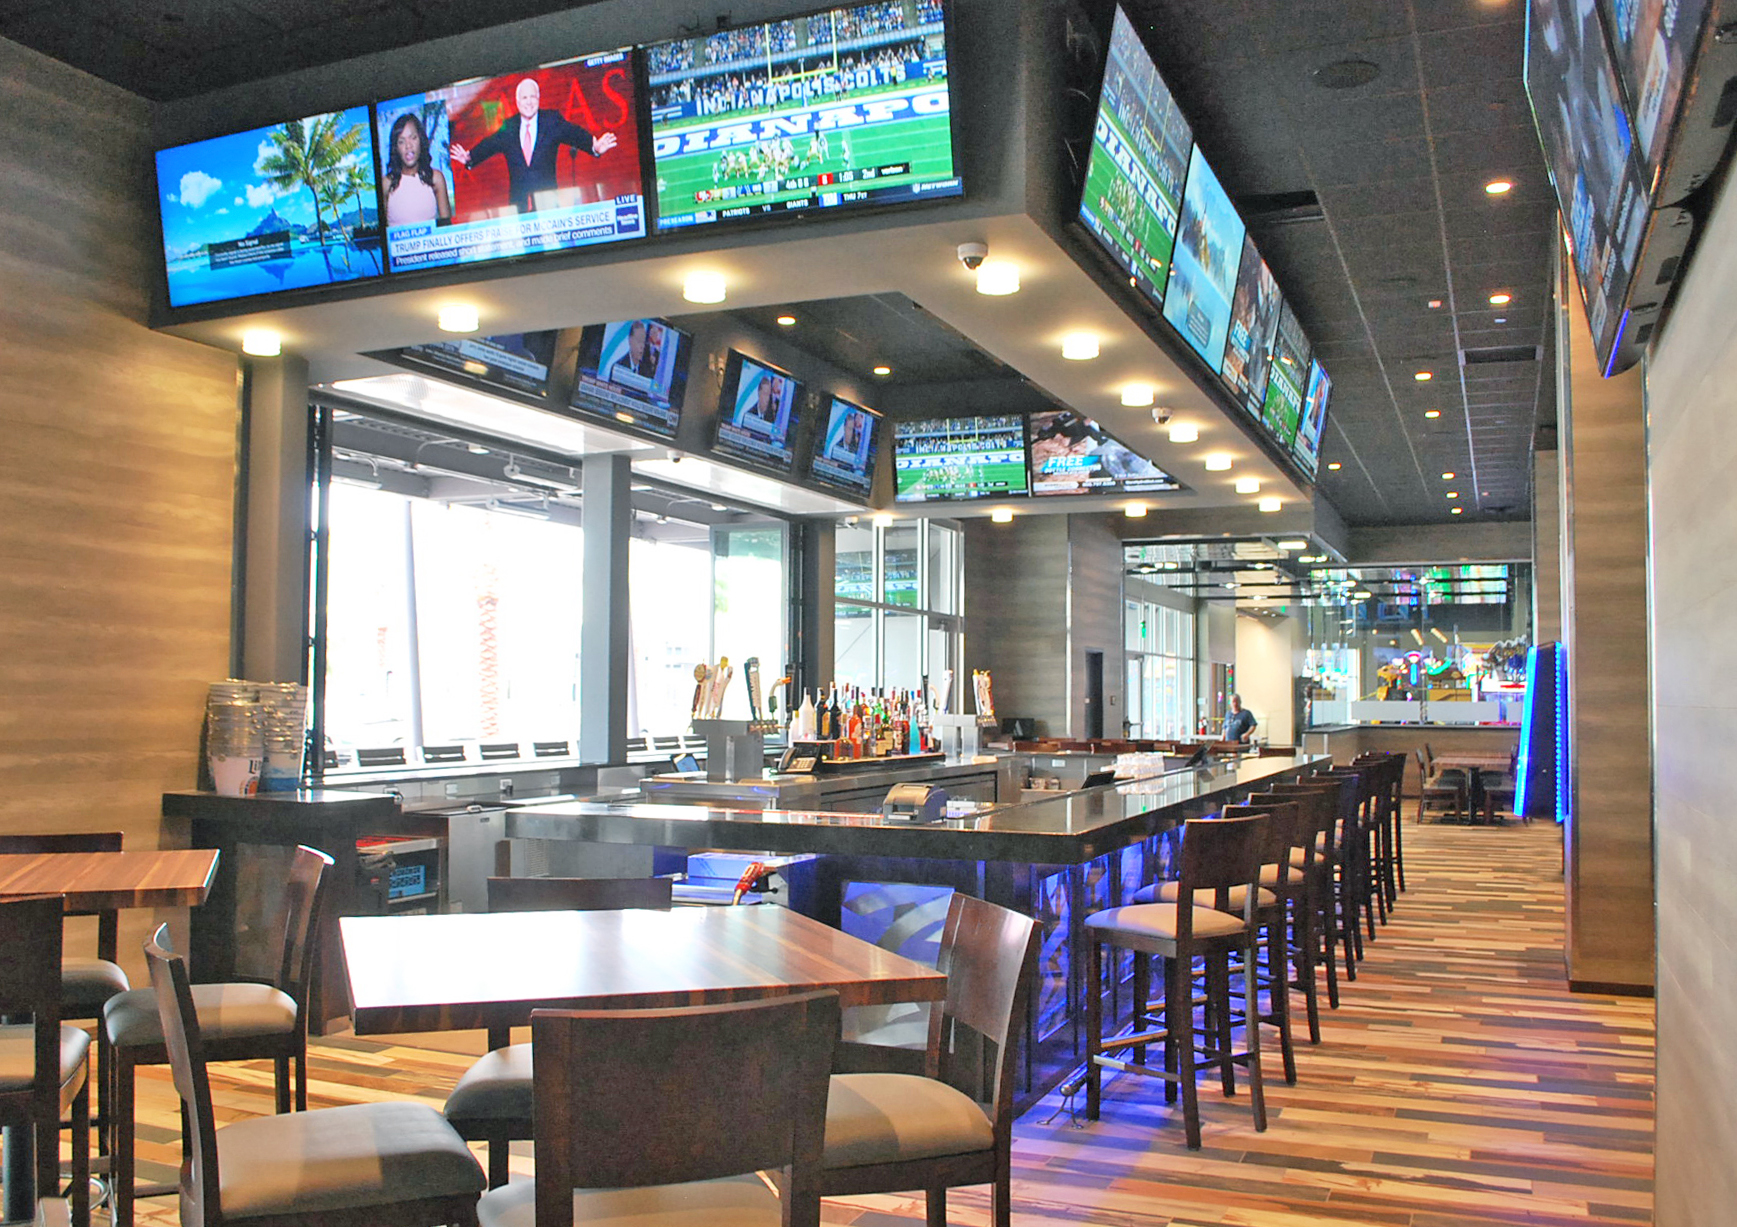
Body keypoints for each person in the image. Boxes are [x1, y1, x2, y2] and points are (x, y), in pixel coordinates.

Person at [449, 77, 618, 213]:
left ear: (538, 98)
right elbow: (490, 144)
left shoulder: (551, 120)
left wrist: (594, 147)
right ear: (517, 102)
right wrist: (470, 157)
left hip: (548, 206)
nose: (529, 102)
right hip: (519, 207)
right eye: (524, 98)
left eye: (532, 97)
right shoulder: (510, 126)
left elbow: (573, 133)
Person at [382, 111, 452, 227]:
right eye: (401, 141)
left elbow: (447, 227)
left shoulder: (436, 178)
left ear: (421, 140)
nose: (408, 146)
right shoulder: (387, 183)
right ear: (396, 148)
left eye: (413, 138)